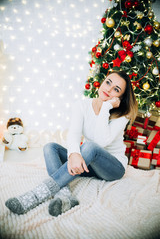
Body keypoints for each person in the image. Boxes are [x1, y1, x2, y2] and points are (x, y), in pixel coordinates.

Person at [5, 70, 138, 217]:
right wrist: (74, 153)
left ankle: (36, 194)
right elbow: (74, 133)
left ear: (120, 97)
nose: (109, 89)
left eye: (116, 89)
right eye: (108, 82)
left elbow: (101, 141)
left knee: (89, 147)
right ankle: (65, 195)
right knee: (50, 147)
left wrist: (106, 107)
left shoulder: (122, 115)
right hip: (89, 165)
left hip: (112, 169)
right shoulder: (82, 105)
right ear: (102, 82)